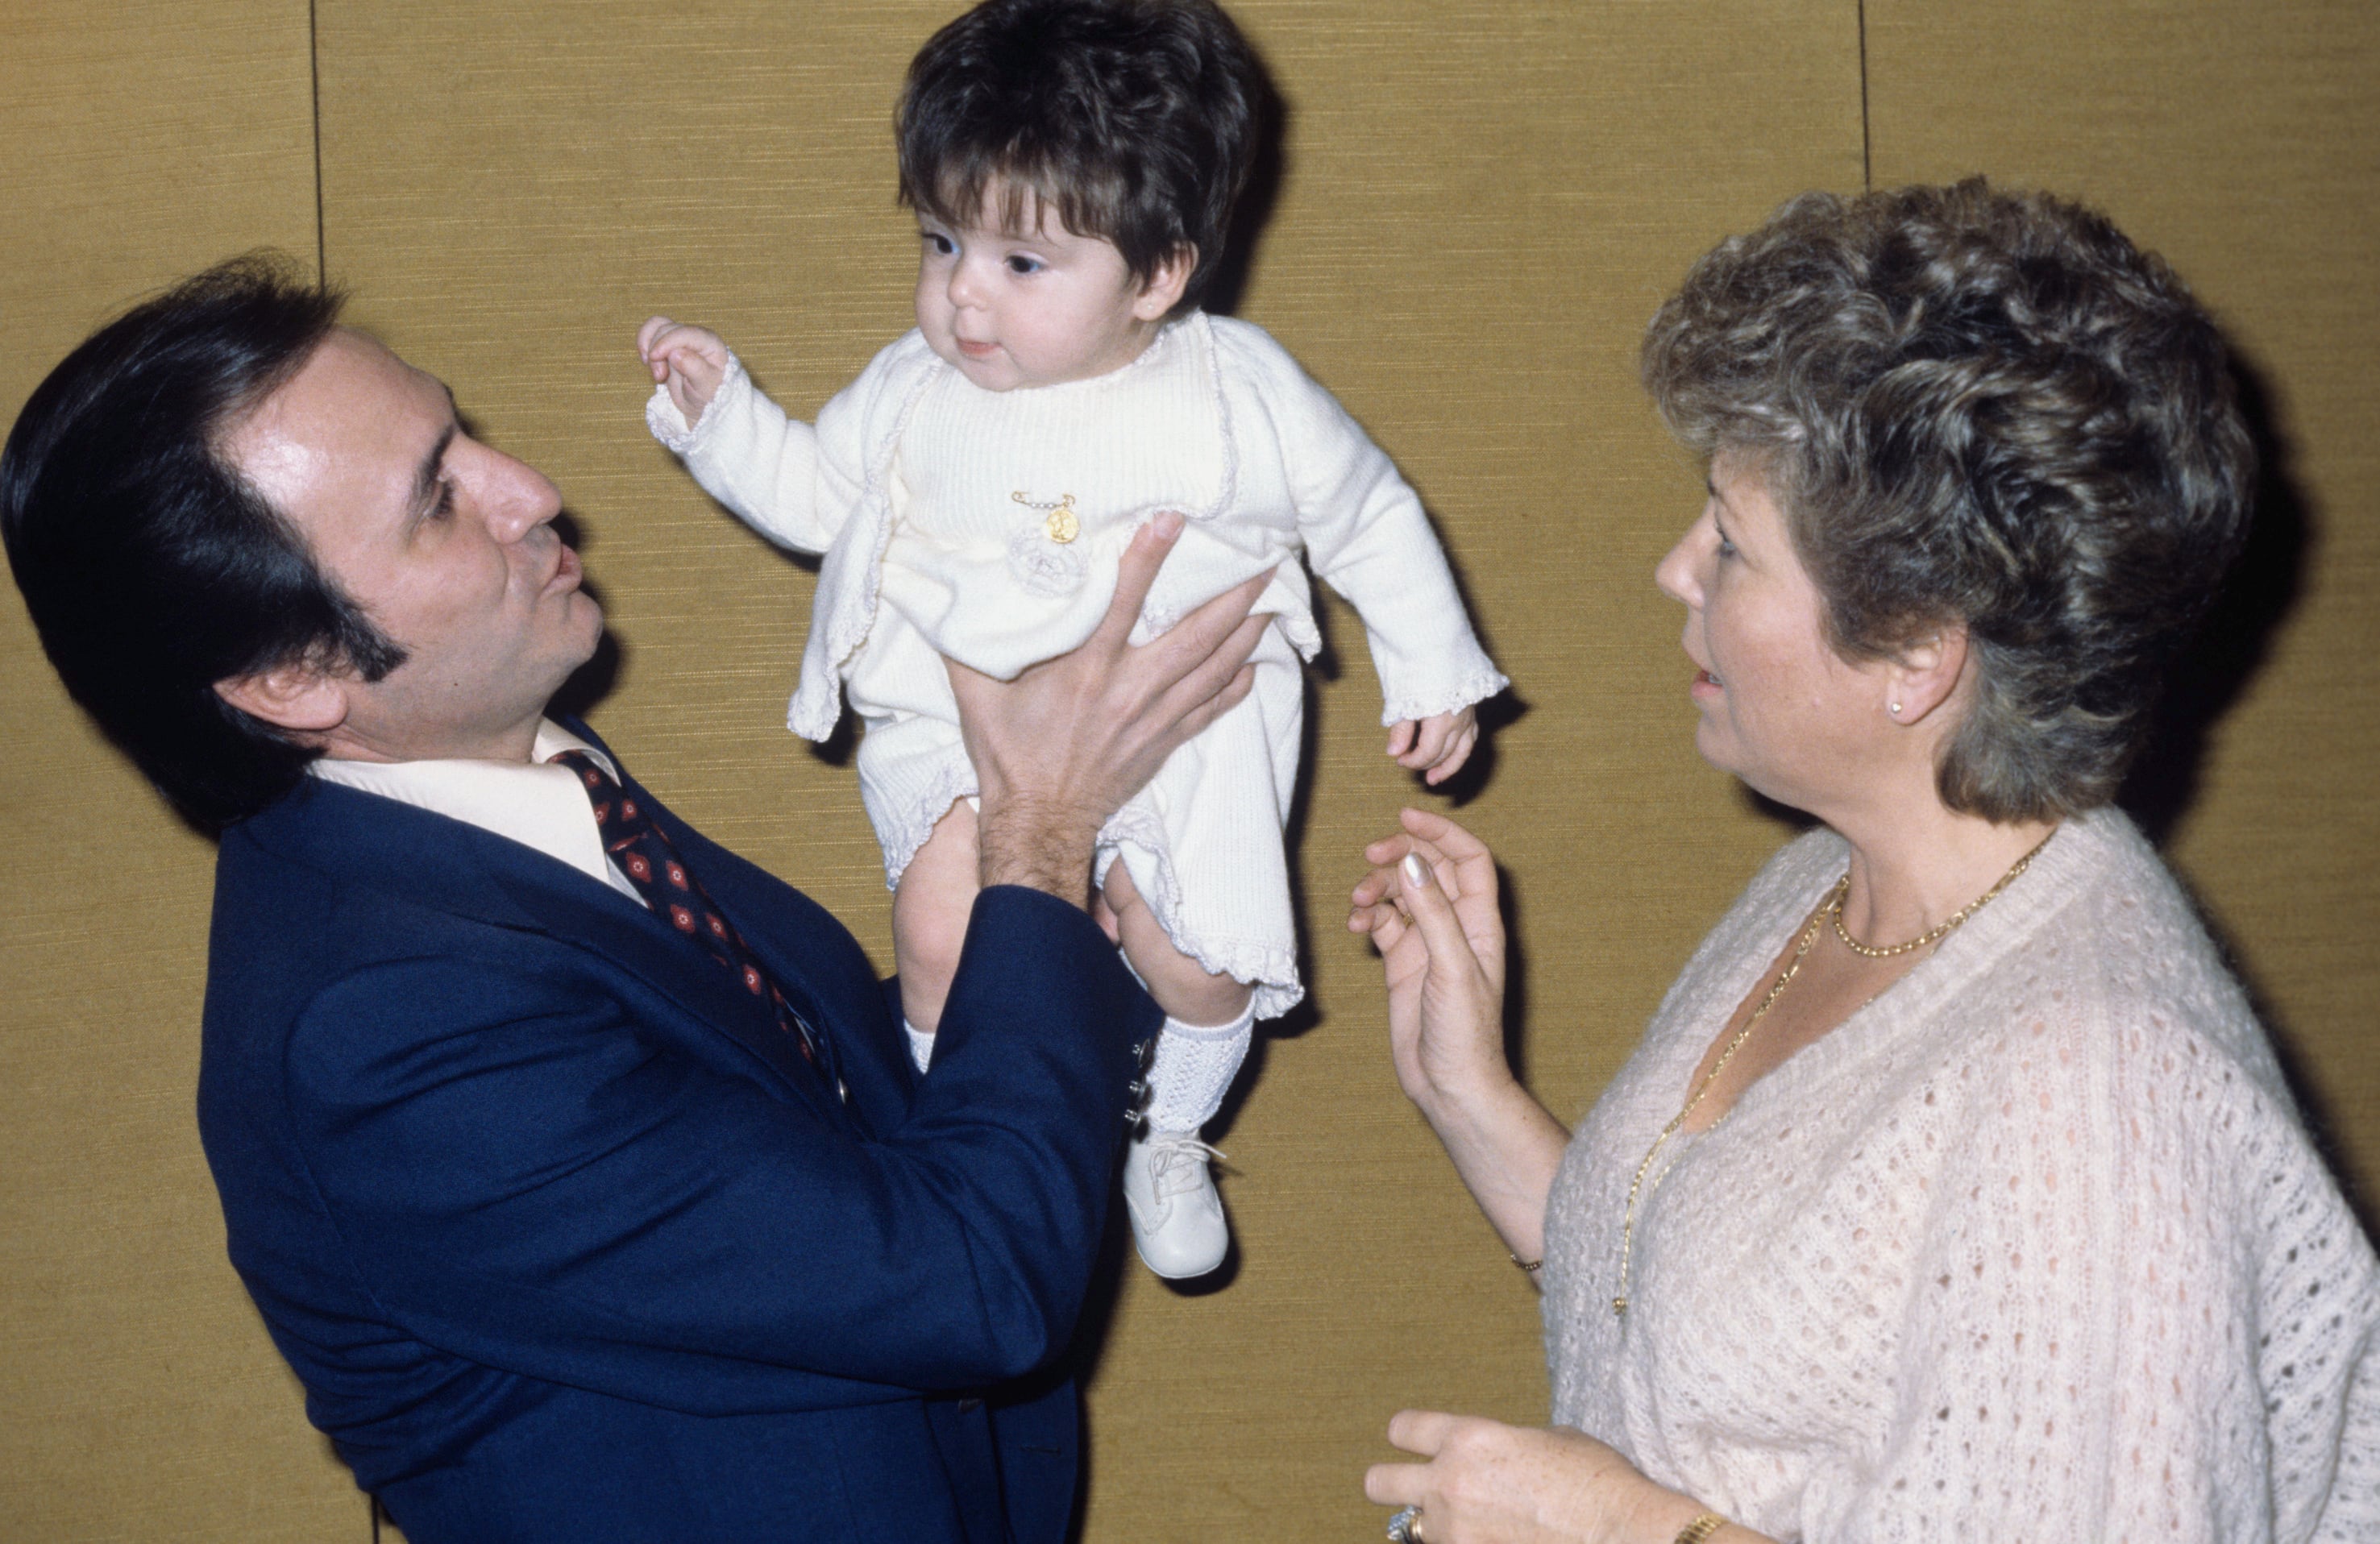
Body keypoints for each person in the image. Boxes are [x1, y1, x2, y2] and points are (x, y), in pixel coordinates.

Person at [0, 256, 1271, 1544]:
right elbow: (971, 1283)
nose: (530, 493)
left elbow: (745, 1121)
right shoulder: (386, 1034)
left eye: (464, 436)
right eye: (436, 503)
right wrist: (1037, 830)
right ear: (290, 678)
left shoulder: (514, 780)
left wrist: (1037, 955)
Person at [1348, 181, 2380, 1542]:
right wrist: (1468, 1093)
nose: (1675, 570)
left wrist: (1626, 1536)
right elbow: (1736, 1353)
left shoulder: (2096, 1113)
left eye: (1729, 542)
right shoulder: (1843, 878)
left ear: (1912, 657)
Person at [634, 0, 1506, 1280]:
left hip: (1188, 728)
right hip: (958, 713)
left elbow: (1366, 512)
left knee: (1202, 973)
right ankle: (957, 1136)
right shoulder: (910, 388)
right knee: (942, 936)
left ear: (1158, 273)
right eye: (942, 245)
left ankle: (1166, 1127)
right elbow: (817, 498)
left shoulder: (1236, 391)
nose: (962, 300)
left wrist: (1431, 664)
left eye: (1021, 265)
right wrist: (723, 420)